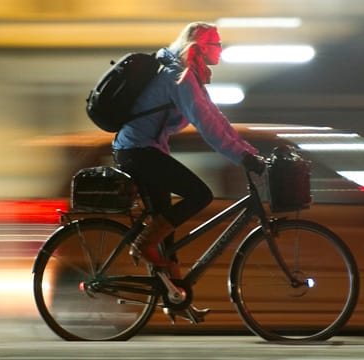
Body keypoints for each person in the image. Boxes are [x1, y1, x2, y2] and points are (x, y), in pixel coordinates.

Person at [112, 21, 265, 322]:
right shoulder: (178, 78)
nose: (221, 49)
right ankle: (143, 244)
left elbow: (215, 118)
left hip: (144, 149)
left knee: (165, 227)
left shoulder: (188, 76)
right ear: (200, 47)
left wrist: (248, 153)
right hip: (137, 151)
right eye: (217, 44)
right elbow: (206, 126)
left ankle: (173, 297)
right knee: (199, 194)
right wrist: (243, 158)